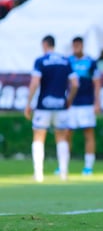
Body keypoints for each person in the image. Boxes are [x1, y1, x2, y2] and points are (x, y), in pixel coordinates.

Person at [24, 35, 79, 182]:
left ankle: (39, 174)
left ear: (44, 45)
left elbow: (35, 83)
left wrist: (28, 103)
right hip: (60, 105)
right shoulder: (65, 61)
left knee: (38, 138)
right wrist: (69, 100)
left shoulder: (41, 61)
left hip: (44, 105)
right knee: (61, 138)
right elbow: (75, 84)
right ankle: (64, 173)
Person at [66, 36, 101, 175]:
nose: (76, 48)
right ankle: (64, 165)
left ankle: (88, 166)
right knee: (67, 134)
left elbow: (97, 83)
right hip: (71, 104)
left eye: (78, 45)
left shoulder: (91, 62)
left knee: (89, 134)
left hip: (87, 102)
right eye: (74, 45)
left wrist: (97, 102)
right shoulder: (68, 61)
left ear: (82, 45)